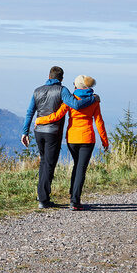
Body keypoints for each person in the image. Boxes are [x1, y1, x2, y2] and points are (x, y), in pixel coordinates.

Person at [21, 66, 98, 209]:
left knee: (44, 162)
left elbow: (30, 111)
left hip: (38, 132)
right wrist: (93, 98)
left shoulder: (37, 90)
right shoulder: (62, 90)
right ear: (61, 79)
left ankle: (42, 194)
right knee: (49, 164)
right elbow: (75, 104)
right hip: (53, 132)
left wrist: (25, 132)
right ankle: (43, 199)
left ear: (49, 76)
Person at [35, 75, 108, 211]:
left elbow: (56, 116)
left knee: (76, 166)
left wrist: (39, 120)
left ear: (76, 86)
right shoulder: (94, 101)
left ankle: (73, 196)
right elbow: (99, 122)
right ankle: (75, 200)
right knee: (80, 169)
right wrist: (105, 141)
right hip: (87, 139)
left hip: (72, 139)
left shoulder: (70, 100)